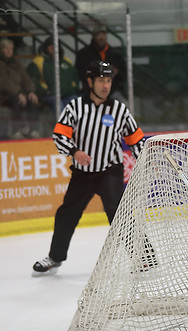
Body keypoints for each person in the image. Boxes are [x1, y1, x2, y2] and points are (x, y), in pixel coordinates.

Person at [32, 61, 146, 276]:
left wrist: (145, 163)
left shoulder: (119, 110)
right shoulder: (75, 107)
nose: (106, 86)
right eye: (101, 81)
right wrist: (75, 152)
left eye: (109, 81)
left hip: (110, 171)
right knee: (66, 214)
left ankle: (144, 258)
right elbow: (59, 135)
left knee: (119, 214)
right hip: (82, 174)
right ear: (89, 82)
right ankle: (55, 258)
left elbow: (137, 140)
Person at [27, 36, 79, 119]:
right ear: (46, 48)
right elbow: (32, 79)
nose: (53, 48)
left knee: (77, 103)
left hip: (67, 94)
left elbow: (75, 78)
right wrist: (44, 91)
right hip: (49, 95)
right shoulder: (38, 61)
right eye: (50, 46)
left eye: (55, 45)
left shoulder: (67, 61)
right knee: (57, 103)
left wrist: (73, 87)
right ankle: (63, 129)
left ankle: (79, 129)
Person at [0, 37, 41, 139]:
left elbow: (25, 78)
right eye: (6, 49)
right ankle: (15, 131)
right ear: (1, 50)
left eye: (11, 49)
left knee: (32, 101)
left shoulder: (16, 62)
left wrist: (30, 91)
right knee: (17, 101)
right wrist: (18, 93)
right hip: (5, 95)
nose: (9, 51)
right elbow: (4, 83)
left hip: (19, 93)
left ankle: (32, 130)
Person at [75, 26, 127, 102]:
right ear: (93, 37)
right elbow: (80, 72)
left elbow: (124, 74)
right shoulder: (84, 54)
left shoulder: (115, 54)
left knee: (124, 107)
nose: (101, 38)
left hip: (112, 91)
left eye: (103, 35)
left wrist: (117, 72)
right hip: (91, 92)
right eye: (98, 35)